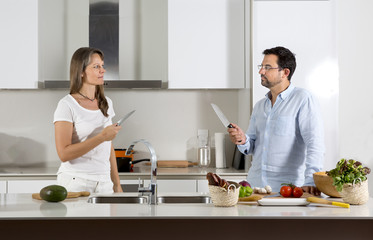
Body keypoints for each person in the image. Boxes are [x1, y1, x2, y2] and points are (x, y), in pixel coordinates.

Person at [228, 46, 324, 195]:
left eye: (267, 67)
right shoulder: (260, 105)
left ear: (285, 72)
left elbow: (315, 143)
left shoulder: (303, 99)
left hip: (287, 190)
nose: (261, 71)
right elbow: (251, 146)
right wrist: (242, 139)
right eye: (261, 67)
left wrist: (311, 181)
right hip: (255, 188)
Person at [53, 47, 123, 193]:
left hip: (104, 184)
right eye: (96, 66)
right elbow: (64, 154)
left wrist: (116, 184)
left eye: (103, 66)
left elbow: (108, 146)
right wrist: (102, 136)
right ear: (81, 72)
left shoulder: (107, 103)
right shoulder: (66, 105)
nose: (102, 70)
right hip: (75, 182)